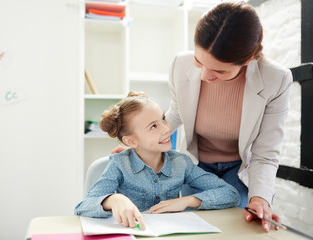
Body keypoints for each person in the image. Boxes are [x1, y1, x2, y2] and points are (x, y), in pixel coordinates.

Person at [112, 1, 292, 233]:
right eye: (199, 61)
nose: (205, 75)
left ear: (247, 60)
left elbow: (265, 154)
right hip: (197, 165)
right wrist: (141, 141)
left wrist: (260, 198)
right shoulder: (180, 64)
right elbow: (176, 113)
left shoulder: (276, 80)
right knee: (195, 231)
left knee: (238, 231)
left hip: (241, 169)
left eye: (220, 71)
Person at [75, 92, 240, 230]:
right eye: (153, 126)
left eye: (163, 119)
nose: (166, 129)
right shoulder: (119, 164)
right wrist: (114, 200)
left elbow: (231, 194)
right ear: (131, 141)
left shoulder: (181, 163)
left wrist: (187, 201)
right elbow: (83, 206)